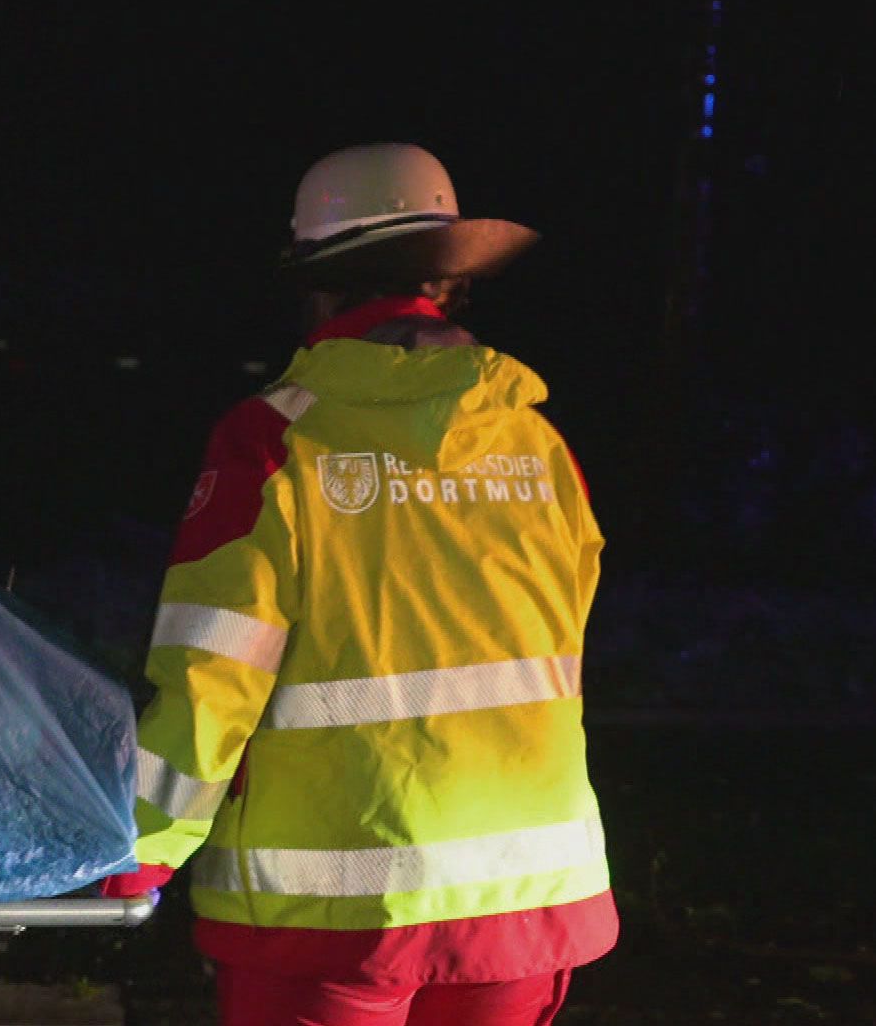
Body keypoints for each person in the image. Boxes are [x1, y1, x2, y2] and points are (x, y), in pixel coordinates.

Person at [102, 144, 616, 1025]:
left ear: (316, 285)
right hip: (528, 907)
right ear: (449, 284)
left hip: (330, 922)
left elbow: (214, 683)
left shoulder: (271, 445)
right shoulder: (542, 450)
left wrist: (135, 850)